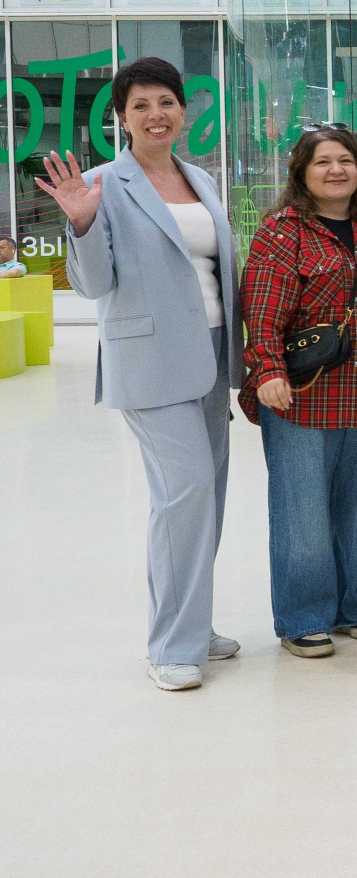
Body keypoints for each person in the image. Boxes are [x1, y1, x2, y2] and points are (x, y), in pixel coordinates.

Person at [39, 57, 244, 691]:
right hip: (151, 361)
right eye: (140, 106)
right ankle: (171, 645)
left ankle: (193, 621)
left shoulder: (200, 178)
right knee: (185, 492)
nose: (156, 115)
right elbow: (93, 285)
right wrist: (81, 222)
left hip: (211, 354)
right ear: (122, 120)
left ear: (183, 110)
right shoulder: (101, 184)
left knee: (207, 497)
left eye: (166, 102)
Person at [238, 126, 357, 659]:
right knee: (303, 511)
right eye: (322, 162)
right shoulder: (282, 232)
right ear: (302, 172)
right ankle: (303, 618)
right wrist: (268, 370)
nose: (336, 170)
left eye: (345, 161)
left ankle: (356, 606)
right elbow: (261, 310)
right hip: (300, 394)